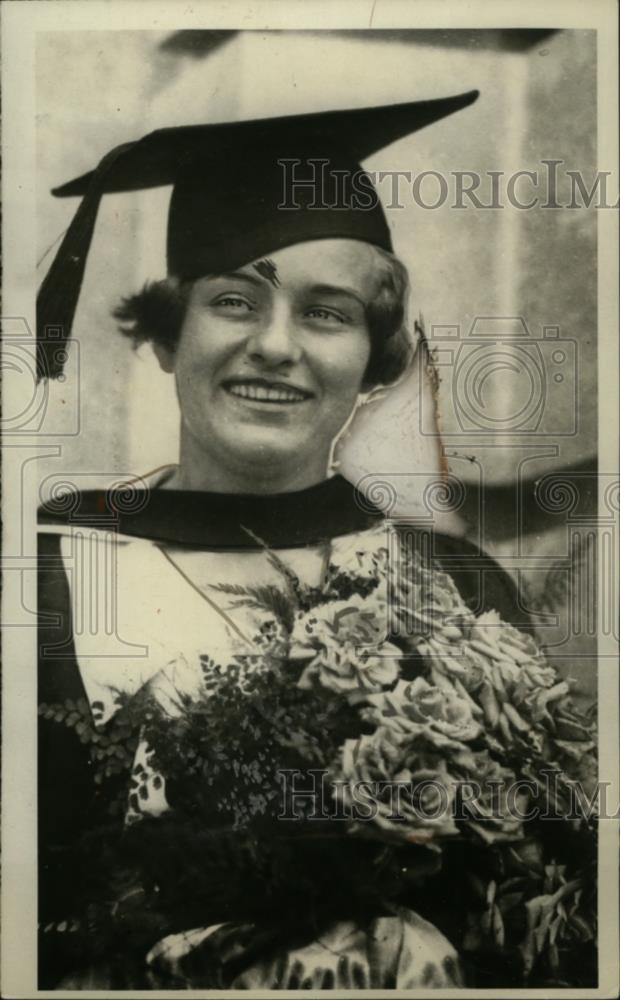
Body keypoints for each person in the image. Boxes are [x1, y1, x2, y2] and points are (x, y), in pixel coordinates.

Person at [37, 92, 550, 990]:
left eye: (326, 313)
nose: (275, 346)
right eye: (234, 300)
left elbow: (536, 903)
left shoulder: (457, 588)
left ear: (374, 356)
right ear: (169, 334)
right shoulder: (49, 581)